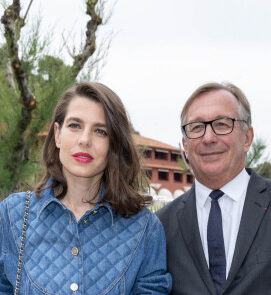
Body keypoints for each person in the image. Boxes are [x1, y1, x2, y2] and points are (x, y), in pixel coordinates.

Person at [0, 82, 172, 294]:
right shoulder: (12, 214)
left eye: (100, 131)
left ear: (114, 145)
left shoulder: (145, 229)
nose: (85, 140)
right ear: (57, 134)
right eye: (74, 126)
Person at [156, 82, 271, 295]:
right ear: (185, 147)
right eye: (196, 127)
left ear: (247, 138)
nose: (208, 137)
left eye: (222, 124)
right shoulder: (160, 226)